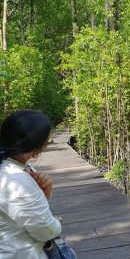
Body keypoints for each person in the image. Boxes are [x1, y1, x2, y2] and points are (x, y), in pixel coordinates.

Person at [0, 110, 62, 258]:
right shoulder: (17, 180)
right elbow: (45, 231)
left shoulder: (12, 168)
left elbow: (21, 211)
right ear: (33, 151)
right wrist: (57, 223)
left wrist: (43, 193)